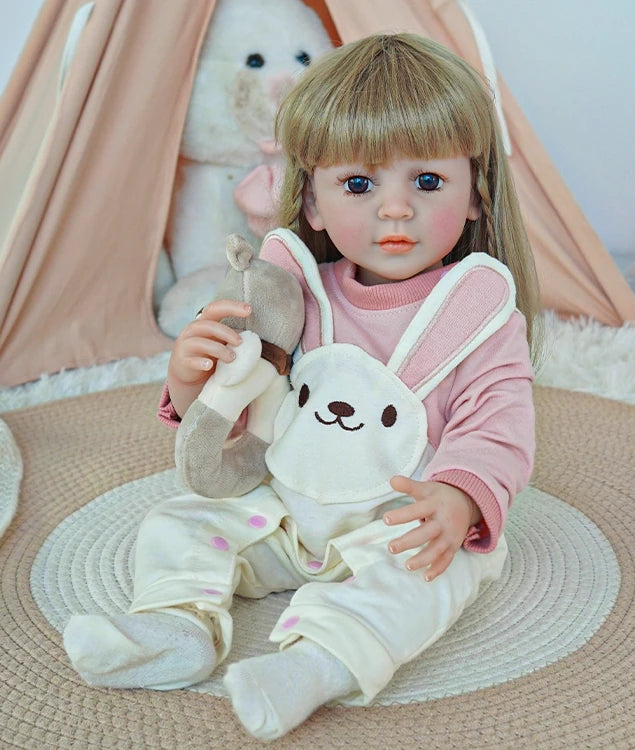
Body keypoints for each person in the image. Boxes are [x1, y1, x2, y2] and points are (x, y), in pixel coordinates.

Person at [63, 32, 539, 740]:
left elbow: (498, 424)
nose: (396, 209)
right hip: (284, 509)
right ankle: (175, 626)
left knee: (440, 572)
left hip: (397, 525)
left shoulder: (479, 312)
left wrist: (461, 496)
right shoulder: (295, 292)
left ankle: (315, 664)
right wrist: (191, 374)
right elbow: (244, 405)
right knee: (179, 521)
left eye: (428, 181)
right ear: (311, 203)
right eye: (359, 184)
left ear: (475, 196)